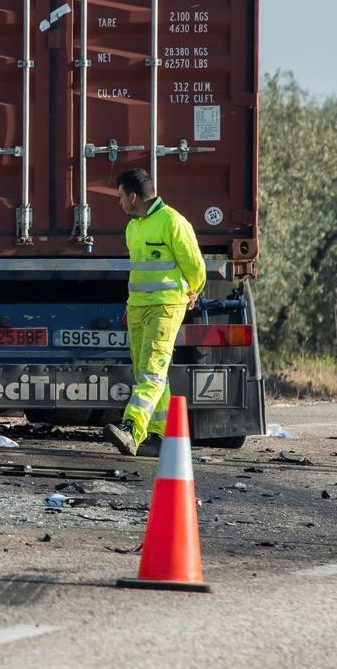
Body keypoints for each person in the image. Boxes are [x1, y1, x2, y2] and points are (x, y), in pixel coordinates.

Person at [103, 168, 205, 457]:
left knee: (151, 372)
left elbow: (195, 266)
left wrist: (192, 290)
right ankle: (159, 436)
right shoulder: (133, 227)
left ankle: (132, 429)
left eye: (121, 196)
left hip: (165, 308)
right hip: (137, 308)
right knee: (147, 373)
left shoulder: (172, 222)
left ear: (133, 197)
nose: (119, 203)